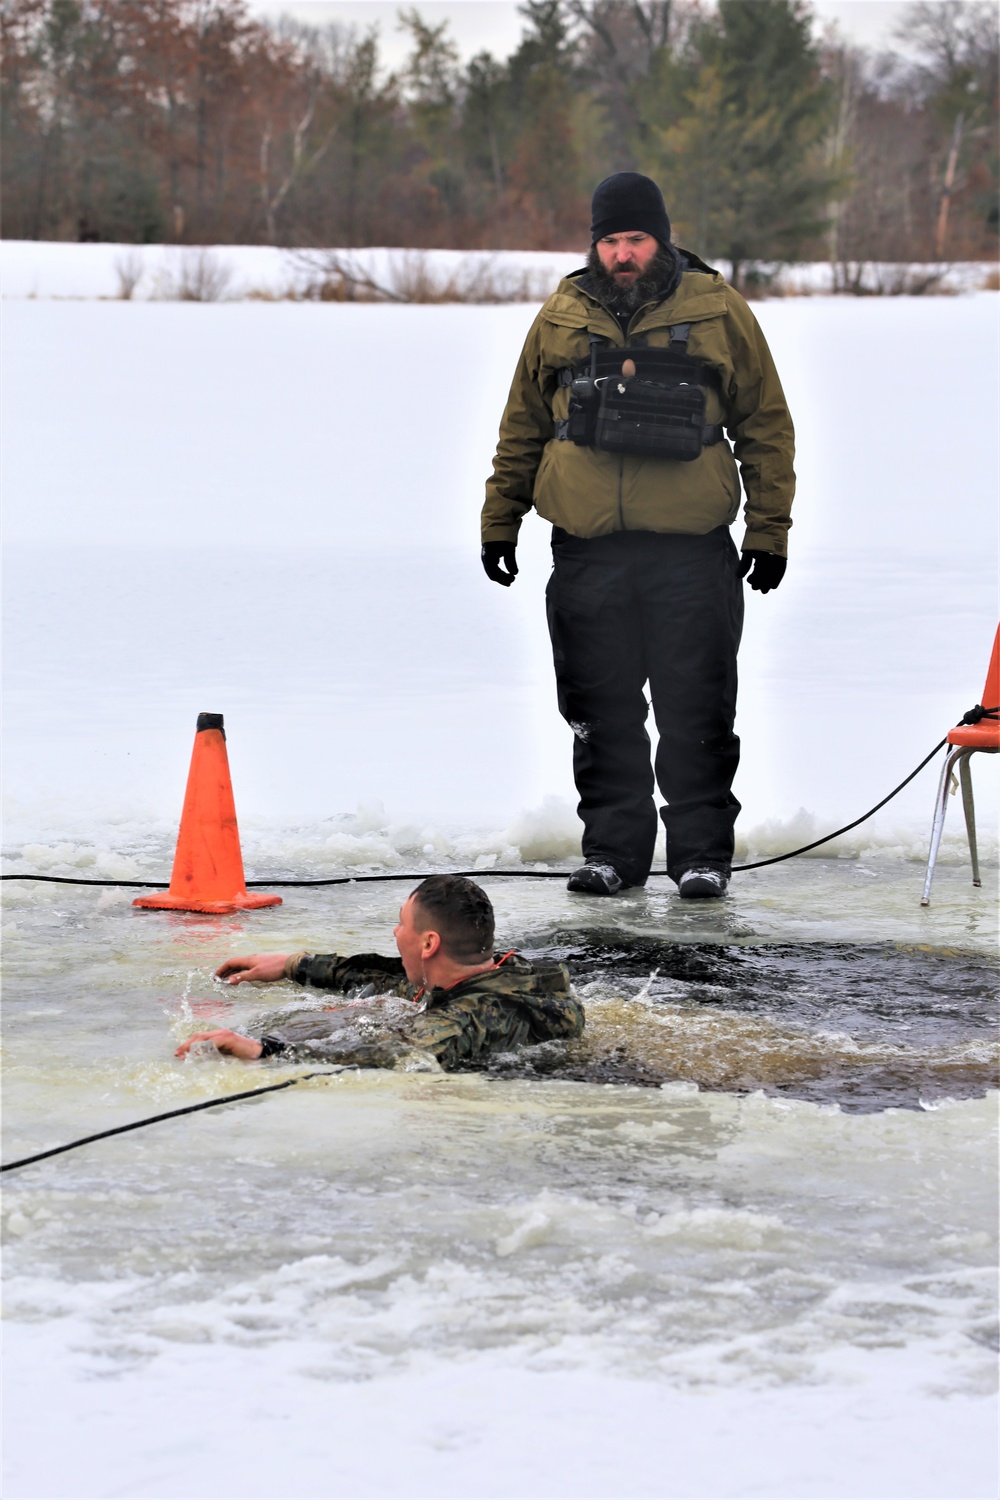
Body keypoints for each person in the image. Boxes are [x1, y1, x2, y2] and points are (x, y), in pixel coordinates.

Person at [481, 172, 795, 900]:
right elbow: (522, 424)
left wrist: (769, 530)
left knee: (697, 709)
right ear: (596, 244)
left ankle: (701, 857)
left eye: (636, 239)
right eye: (611, 240)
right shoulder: (561, 312)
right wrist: (502, 519)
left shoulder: (718, 308)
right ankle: (614, 854)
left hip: (690, 553)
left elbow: (765, 425)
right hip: (588, 552)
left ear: (663, 238)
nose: (623, 253)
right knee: (599, 710)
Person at [175, 874, 583, 1071]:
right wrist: (293, 964)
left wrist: (266, 1050)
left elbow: (401, 1051)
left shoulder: (474, 1016)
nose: (395, 932)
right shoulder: (500, 974)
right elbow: (391, 980)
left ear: (428, 944)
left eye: (402, 923)